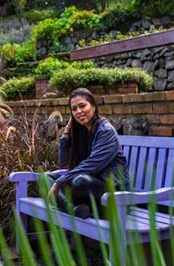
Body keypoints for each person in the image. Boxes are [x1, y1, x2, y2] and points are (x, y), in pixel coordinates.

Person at [48, 88, 129, 219]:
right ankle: (75, 211)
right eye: (74, 109)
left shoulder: (105, 131)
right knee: (46, 177)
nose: (78, 111)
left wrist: (59, 183)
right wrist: (67, 132)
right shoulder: (83, 132)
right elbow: (64, 162)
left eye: (82, 106)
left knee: (79, 180)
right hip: (92, 190)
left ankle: (69, 208)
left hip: (115, 194)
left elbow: (92, 165)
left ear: (94, 107)